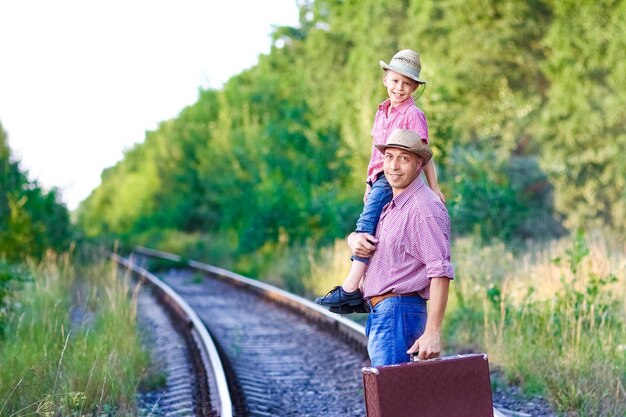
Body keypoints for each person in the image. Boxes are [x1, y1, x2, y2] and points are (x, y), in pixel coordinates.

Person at [316, 49, 444, 313]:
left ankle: (351, 288)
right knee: (376, 227)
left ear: (415, 87)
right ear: (385, 79)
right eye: (396, 81)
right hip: (378, 176)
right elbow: (376, 151)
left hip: (393, 175)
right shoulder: (381, 112)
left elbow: (425, 154)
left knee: (365, 225)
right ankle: (366, 286)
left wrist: (435, 188)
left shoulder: (413, 115)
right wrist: (367, 182)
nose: (400, 88)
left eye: (407, 84)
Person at [348, 129, 454, 365]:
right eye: (389, 157)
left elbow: (440, 271)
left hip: (398, 312)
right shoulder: (393, 205)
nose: (394, 166)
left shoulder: (424, 208)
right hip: (385, 314)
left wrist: (432, 332)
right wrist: (352, 240)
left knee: (394, 397)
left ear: (419, 164)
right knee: (392, 397)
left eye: (403, 158)